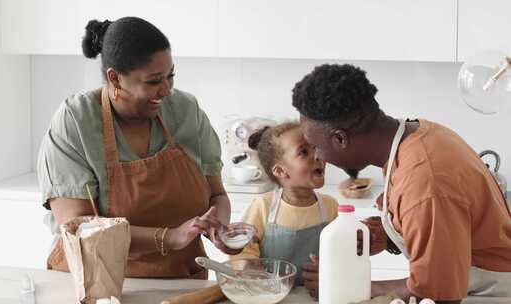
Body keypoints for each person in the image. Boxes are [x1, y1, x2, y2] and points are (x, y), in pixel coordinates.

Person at [37, 17, 245, 279]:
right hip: (95, 281)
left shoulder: (185, 111)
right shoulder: (77, 121)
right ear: (115, 78)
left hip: (178, 281)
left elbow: (217, 196)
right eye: (154, 81)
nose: (167, 90)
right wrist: (169, 237)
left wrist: (220, 228)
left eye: (171, 76)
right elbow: (78, 227)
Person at [292, 64, 511, 303]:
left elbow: (437, 293)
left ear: (340, 139)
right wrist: (385, 236)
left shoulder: (425, 181)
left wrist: (344, 284)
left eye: (316, 146)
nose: (319, 157)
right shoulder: (415, 135)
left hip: (488, 293)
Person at [230, 122, 338, 286]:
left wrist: (330, 268)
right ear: (280, 171)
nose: (317, 155)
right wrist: (250, 268)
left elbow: (341, 253)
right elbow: (242, 251)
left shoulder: (331, 207)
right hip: (269, 295)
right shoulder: (263, 206)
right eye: (304, 152)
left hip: (317, 295)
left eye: (316, 147)